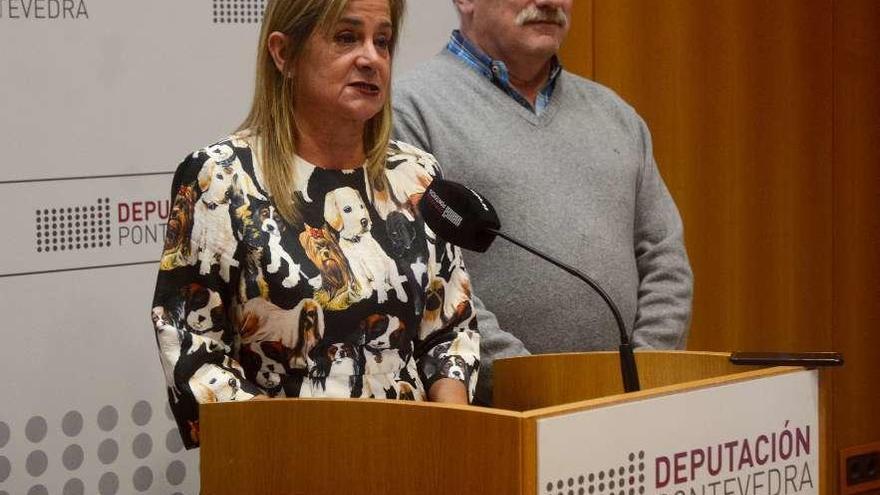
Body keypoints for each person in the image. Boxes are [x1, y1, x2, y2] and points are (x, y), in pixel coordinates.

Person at [151, 0, 480, 449]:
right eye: (347, 37)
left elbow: (449, 331)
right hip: (283, 467)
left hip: (415, 460)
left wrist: (455, 438)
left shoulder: (417, 176)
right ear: (284, 54)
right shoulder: (221, 178)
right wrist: (304, 454)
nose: (370, 57)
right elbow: (193, 352)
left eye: (381, 41)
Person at [392, 0, 692, 403]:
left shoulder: (617, 117)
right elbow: (431, 281)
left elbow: (665, 259)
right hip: (498, 419)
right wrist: (543, 387)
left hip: (628, 413)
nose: (550, 3)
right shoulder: (409, 110)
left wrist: (641, 380)